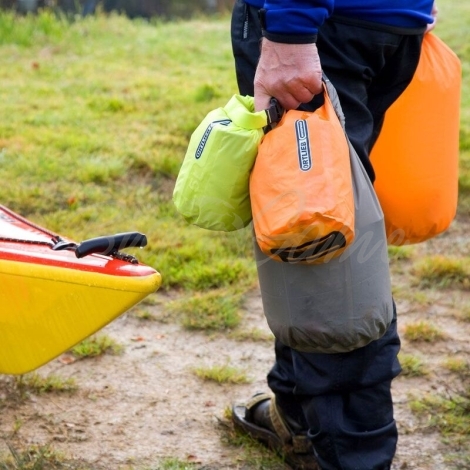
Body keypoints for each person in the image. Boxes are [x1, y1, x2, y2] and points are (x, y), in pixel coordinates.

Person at [230, 1, 437, 469]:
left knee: (325, 248)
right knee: (308, 218)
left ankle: (353, 455)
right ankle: (298, 416)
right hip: (381, 19)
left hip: (319, 27)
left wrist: (290, 28)